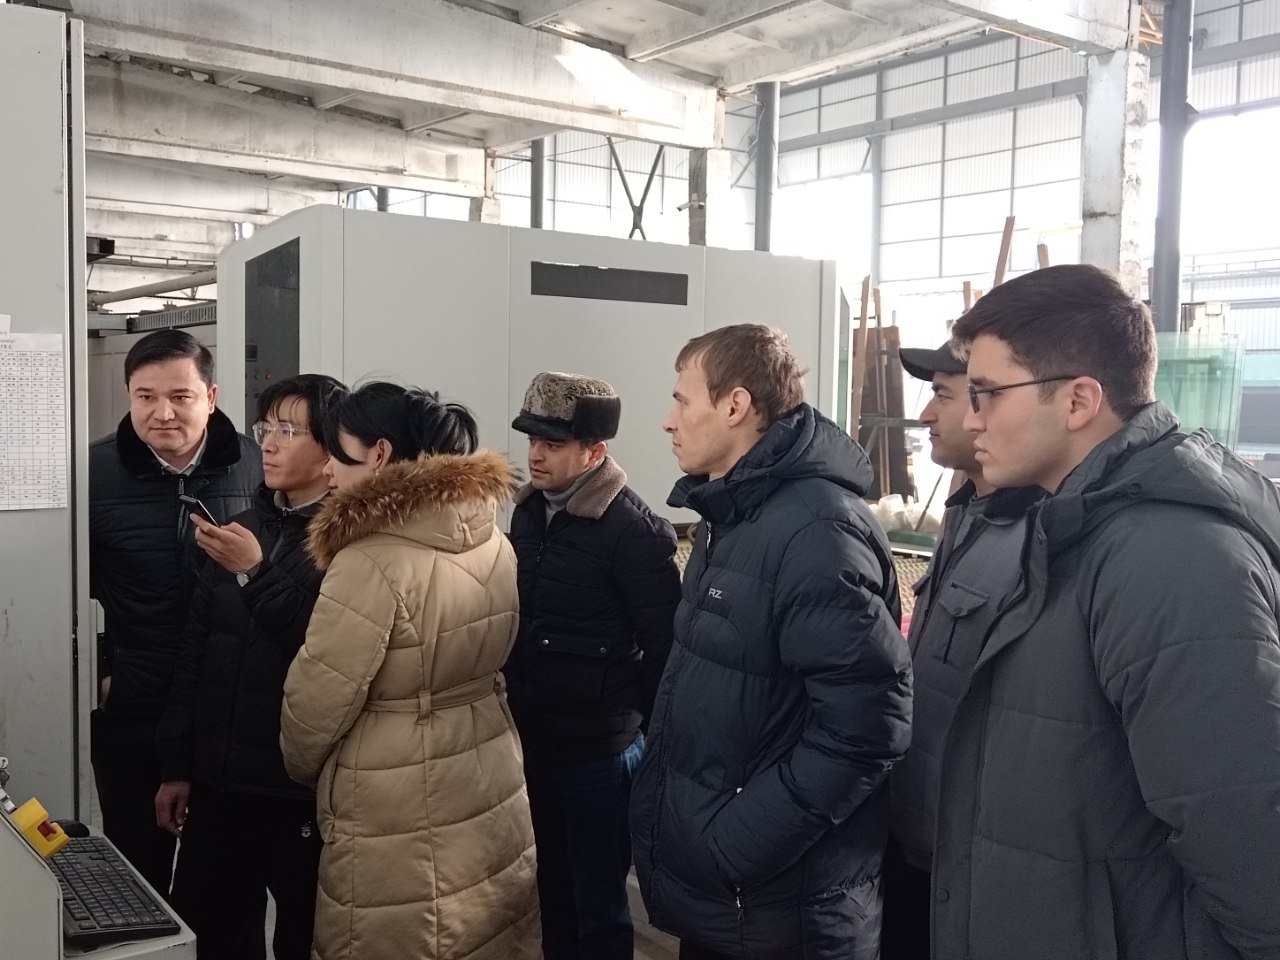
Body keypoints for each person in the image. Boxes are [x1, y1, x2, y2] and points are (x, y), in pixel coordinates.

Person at [934, 263, 1280, 960]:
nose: (970, 419)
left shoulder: (1171, 558)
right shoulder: (1068, 529)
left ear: (1079, 401)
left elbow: (1246, 838)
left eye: (987, 394)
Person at [630, 324, 912, 960]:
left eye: (681, 401)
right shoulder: (731, 516)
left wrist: (736, 844)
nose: (668, 421)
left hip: (782, 909)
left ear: (735, 405)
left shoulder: (817, 532)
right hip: (733, 902)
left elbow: (869, 729)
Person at [279, 381, 539, 960]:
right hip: (487, 763)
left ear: (379, 455)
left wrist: (304, 769)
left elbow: (317, 704)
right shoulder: (492, 536)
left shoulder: (368, 559)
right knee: (481, 931)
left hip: (391, 791)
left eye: (338, 455)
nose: (327, 471)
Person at [154, 374, 346, 960]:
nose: (269, 444)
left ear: (332, 449)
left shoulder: (349, 543)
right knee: (211, 934)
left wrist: (257, 573)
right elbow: (196, 652)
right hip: (219, 784)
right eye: (267, 428)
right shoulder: (242, 527)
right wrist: (177, 766)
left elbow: (328, 654)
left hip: (296, 791)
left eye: (290, 430)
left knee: (301, 937)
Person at [506, 372, 680, 960]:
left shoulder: (633, 531)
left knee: (600, 905)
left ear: (595, 451)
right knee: (550, 889)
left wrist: (641, 736)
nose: (536, 454)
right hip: (536, 737)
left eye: (553, 444)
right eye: (533, 440)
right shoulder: (529, 513)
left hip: (601, 752)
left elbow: (663, 646)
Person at [879, 343, 1042, 960]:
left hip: (974, 867)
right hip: (920, 844)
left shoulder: (1040, 538)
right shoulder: (969, 513)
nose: (927, 414)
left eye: (944, 396)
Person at [89, 328, 261, 895]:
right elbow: (70, 591)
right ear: (128, 395)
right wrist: (105, 672)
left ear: (210, 397)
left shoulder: (258, 469)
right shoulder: (92, 474)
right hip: (134, 705)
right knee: (134, 874)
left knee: (226, 885)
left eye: (180, 396)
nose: (162, 413)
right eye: (146, 396)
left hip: (227, 709)